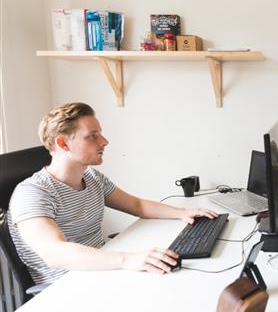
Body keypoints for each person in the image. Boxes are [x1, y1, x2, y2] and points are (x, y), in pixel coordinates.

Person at [7, 102, 219, 285]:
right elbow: (55, 254)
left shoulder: (92, 178)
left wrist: (183, 213)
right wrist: (129, 260)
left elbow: (137, 206)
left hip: (102, 270)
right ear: (63, 143)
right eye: (92, 136)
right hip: (67, 287)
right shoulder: (32, 193)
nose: (104, 141)